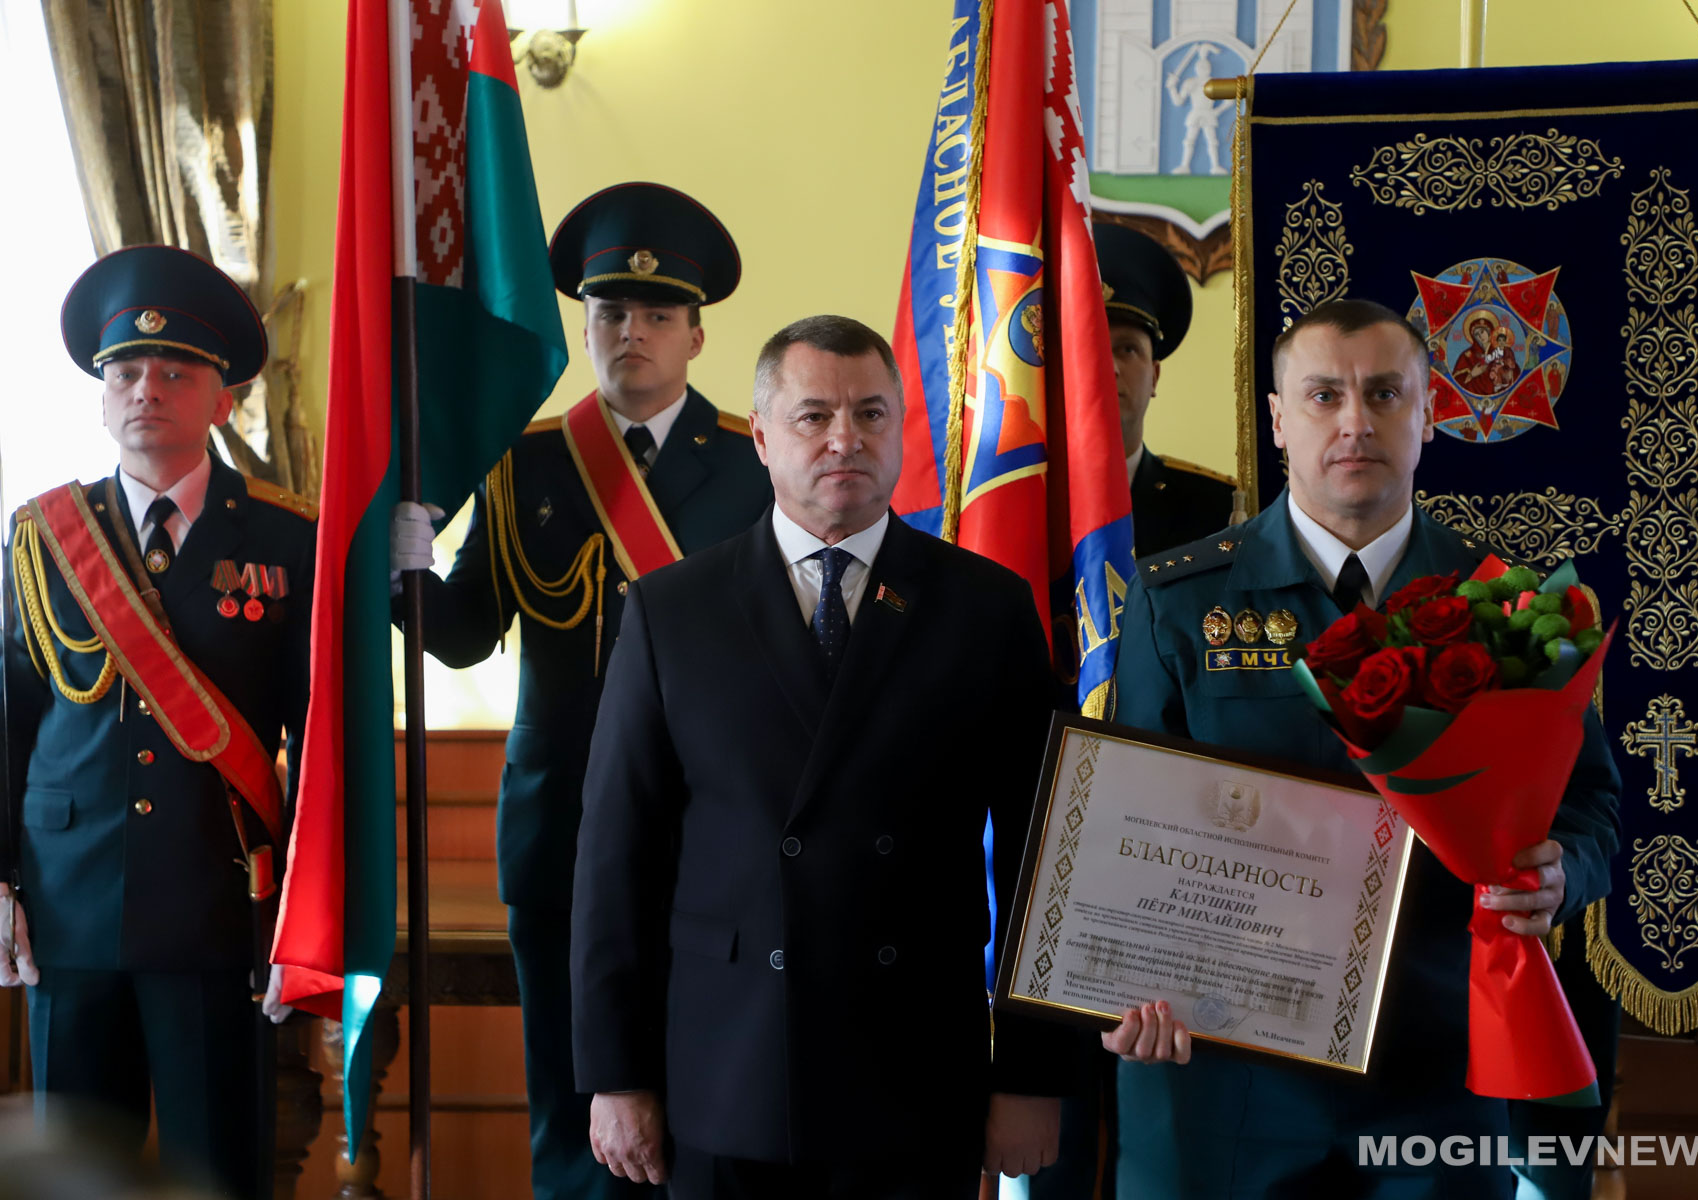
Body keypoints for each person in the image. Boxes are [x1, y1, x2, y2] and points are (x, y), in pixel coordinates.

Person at [1101, 298, 1622, 1198]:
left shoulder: (1505, 603)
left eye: (1384, 394)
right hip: (1223, 1073)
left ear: (1429, 413)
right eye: (1323, 396)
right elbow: (1125, 825)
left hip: (1438, 1063)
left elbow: (1591, 808)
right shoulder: (1179, 601)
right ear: (1278, 419)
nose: (1355, 422)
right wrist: (1121, 978)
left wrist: (1559, 876)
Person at [570, 315, 1078, 1198]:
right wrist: (615, 1074)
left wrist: (1032, 1074)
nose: (845, 439)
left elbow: (1044, 857)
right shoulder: (671, 612)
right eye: (814, 416)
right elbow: (618, 858)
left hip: (916, 1072)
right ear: (762, 437)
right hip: (727, 1072)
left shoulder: (986, 608)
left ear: (900, 431)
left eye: (871, 414)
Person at [388, 182, 771, 1200]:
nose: (631, 332)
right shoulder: (524, 464)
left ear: (695, 335)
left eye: (657, 314)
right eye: (611, 312)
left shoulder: (757, 466)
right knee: (571, 1122)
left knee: (709, 1105)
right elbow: (467, 635)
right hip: (560, 828)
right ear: (586, 326)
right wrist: (400, 566)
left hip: (714, 834)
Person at [1, 245, 313, 1200]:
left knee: (216, 1173)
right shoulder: (41, 536)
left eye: (176, 372)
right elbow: (10, 718)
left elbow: (317, 736)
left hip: (217, 908)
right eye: (126, 372)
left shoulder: (289, 537)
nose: (146, 390)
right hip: (67, 908)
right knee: (69, 1179)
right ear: (102, 399)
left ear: (224, 400)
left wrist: (310, 911)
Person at [1093, 223, 1237, 560]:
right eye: (1091, 348)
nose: (1110, 368)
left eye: (1128, 349)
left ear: (1154, 376)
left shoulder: (1217, 508)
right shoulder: (1018, 499)